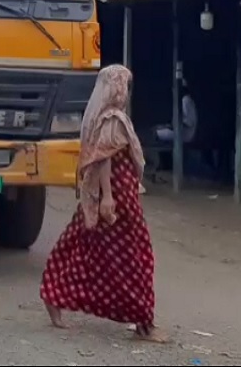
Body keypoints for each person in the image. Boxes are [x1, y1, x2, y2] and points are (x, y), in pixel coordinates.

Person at [40, 64, 165, 343]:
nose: (126, 92)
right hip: (117, 199)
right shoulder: (112, 120)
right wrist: (108, 198)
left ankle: (55, 295)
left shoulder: (107, 118)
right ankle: (144, 323)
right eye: (124, 86)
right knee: (135, 257)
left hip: (116, 196)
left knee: (85, 246)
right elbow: (104, 158)